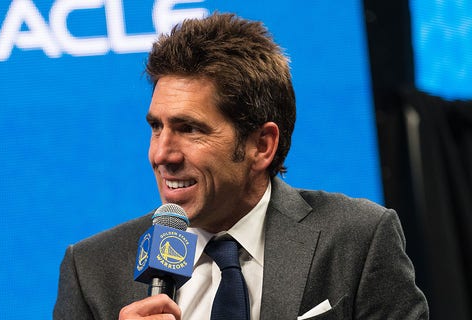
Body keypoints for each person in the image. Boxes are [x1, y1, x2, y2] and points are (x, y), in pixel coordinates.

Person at [53, 13, 428, 320]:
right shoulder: (92, 271)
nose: (162, 154)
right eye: (157, 127)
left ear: (261, 146)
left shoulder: (356, 239)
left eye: (189, 129)